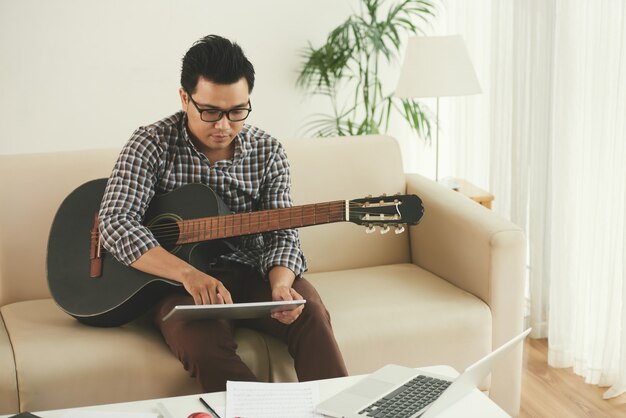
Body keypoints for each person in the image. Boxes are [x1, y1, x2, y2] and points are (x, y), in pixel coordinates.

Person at [98, 34, 348, 391]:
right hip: (175, 283)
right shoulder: (151, 143)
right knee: (203, 345)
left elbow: (283, 232)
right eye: (211, 111)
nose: (224, 126)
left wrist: (280, 286)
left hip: (251, 268)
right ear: (185, 98)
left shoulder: (268, 151)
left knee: (311, 316)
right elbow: (115, 221)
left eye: (237, 112)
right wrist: (188, 274)